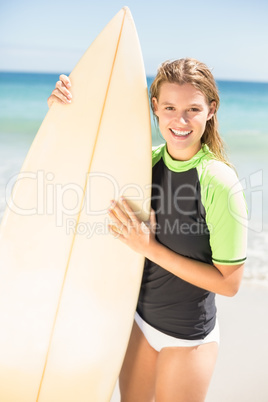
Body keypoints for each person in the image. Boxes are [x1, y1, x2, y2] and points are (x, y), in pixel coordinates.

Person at [48, 58, 247, 402]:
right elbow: (85, 154)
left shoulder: (219, 181)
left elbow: (229, 283)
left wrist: (149, 247)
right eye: (169, 107)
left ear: (211, 110)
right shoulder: (144, 163)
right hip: (139, 323)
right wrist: (64, 109)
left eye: (192, 109)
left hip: (188, 338)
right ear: (154, 107)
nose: (179, 120)